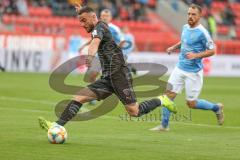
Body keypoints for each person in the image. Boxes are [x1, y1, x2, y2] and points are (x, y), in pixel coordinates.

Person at [38, 5, 177, 130]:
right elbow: (94, 39)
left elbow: (94, 43)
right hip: (107, 77)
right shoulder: (97, 28)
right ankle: (56, 125)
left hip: (119, 75)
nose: (81, 24)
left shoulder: (100, 27)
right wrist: (82, 10)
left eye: (84, 20)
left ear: (93, 17)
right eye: (80, 21)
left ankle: (162, 100)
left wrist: (90, 57)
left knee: (134, 111)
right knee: (79, 97)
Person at [150, 4, 224, 132]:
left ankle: (216, 108)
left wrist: (196, 55)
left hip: (193, 72)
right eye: (189, 14)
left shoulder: (203, 33)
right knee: (168, 96)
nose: (190, 16)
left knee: (191, 104)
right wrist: (173, 47)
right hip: (180, 68)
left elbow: (212, 51)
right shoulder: (185, 27)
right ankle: (164, 125)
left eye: (193, 14)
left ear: (199, 16)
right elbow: (184, 42)